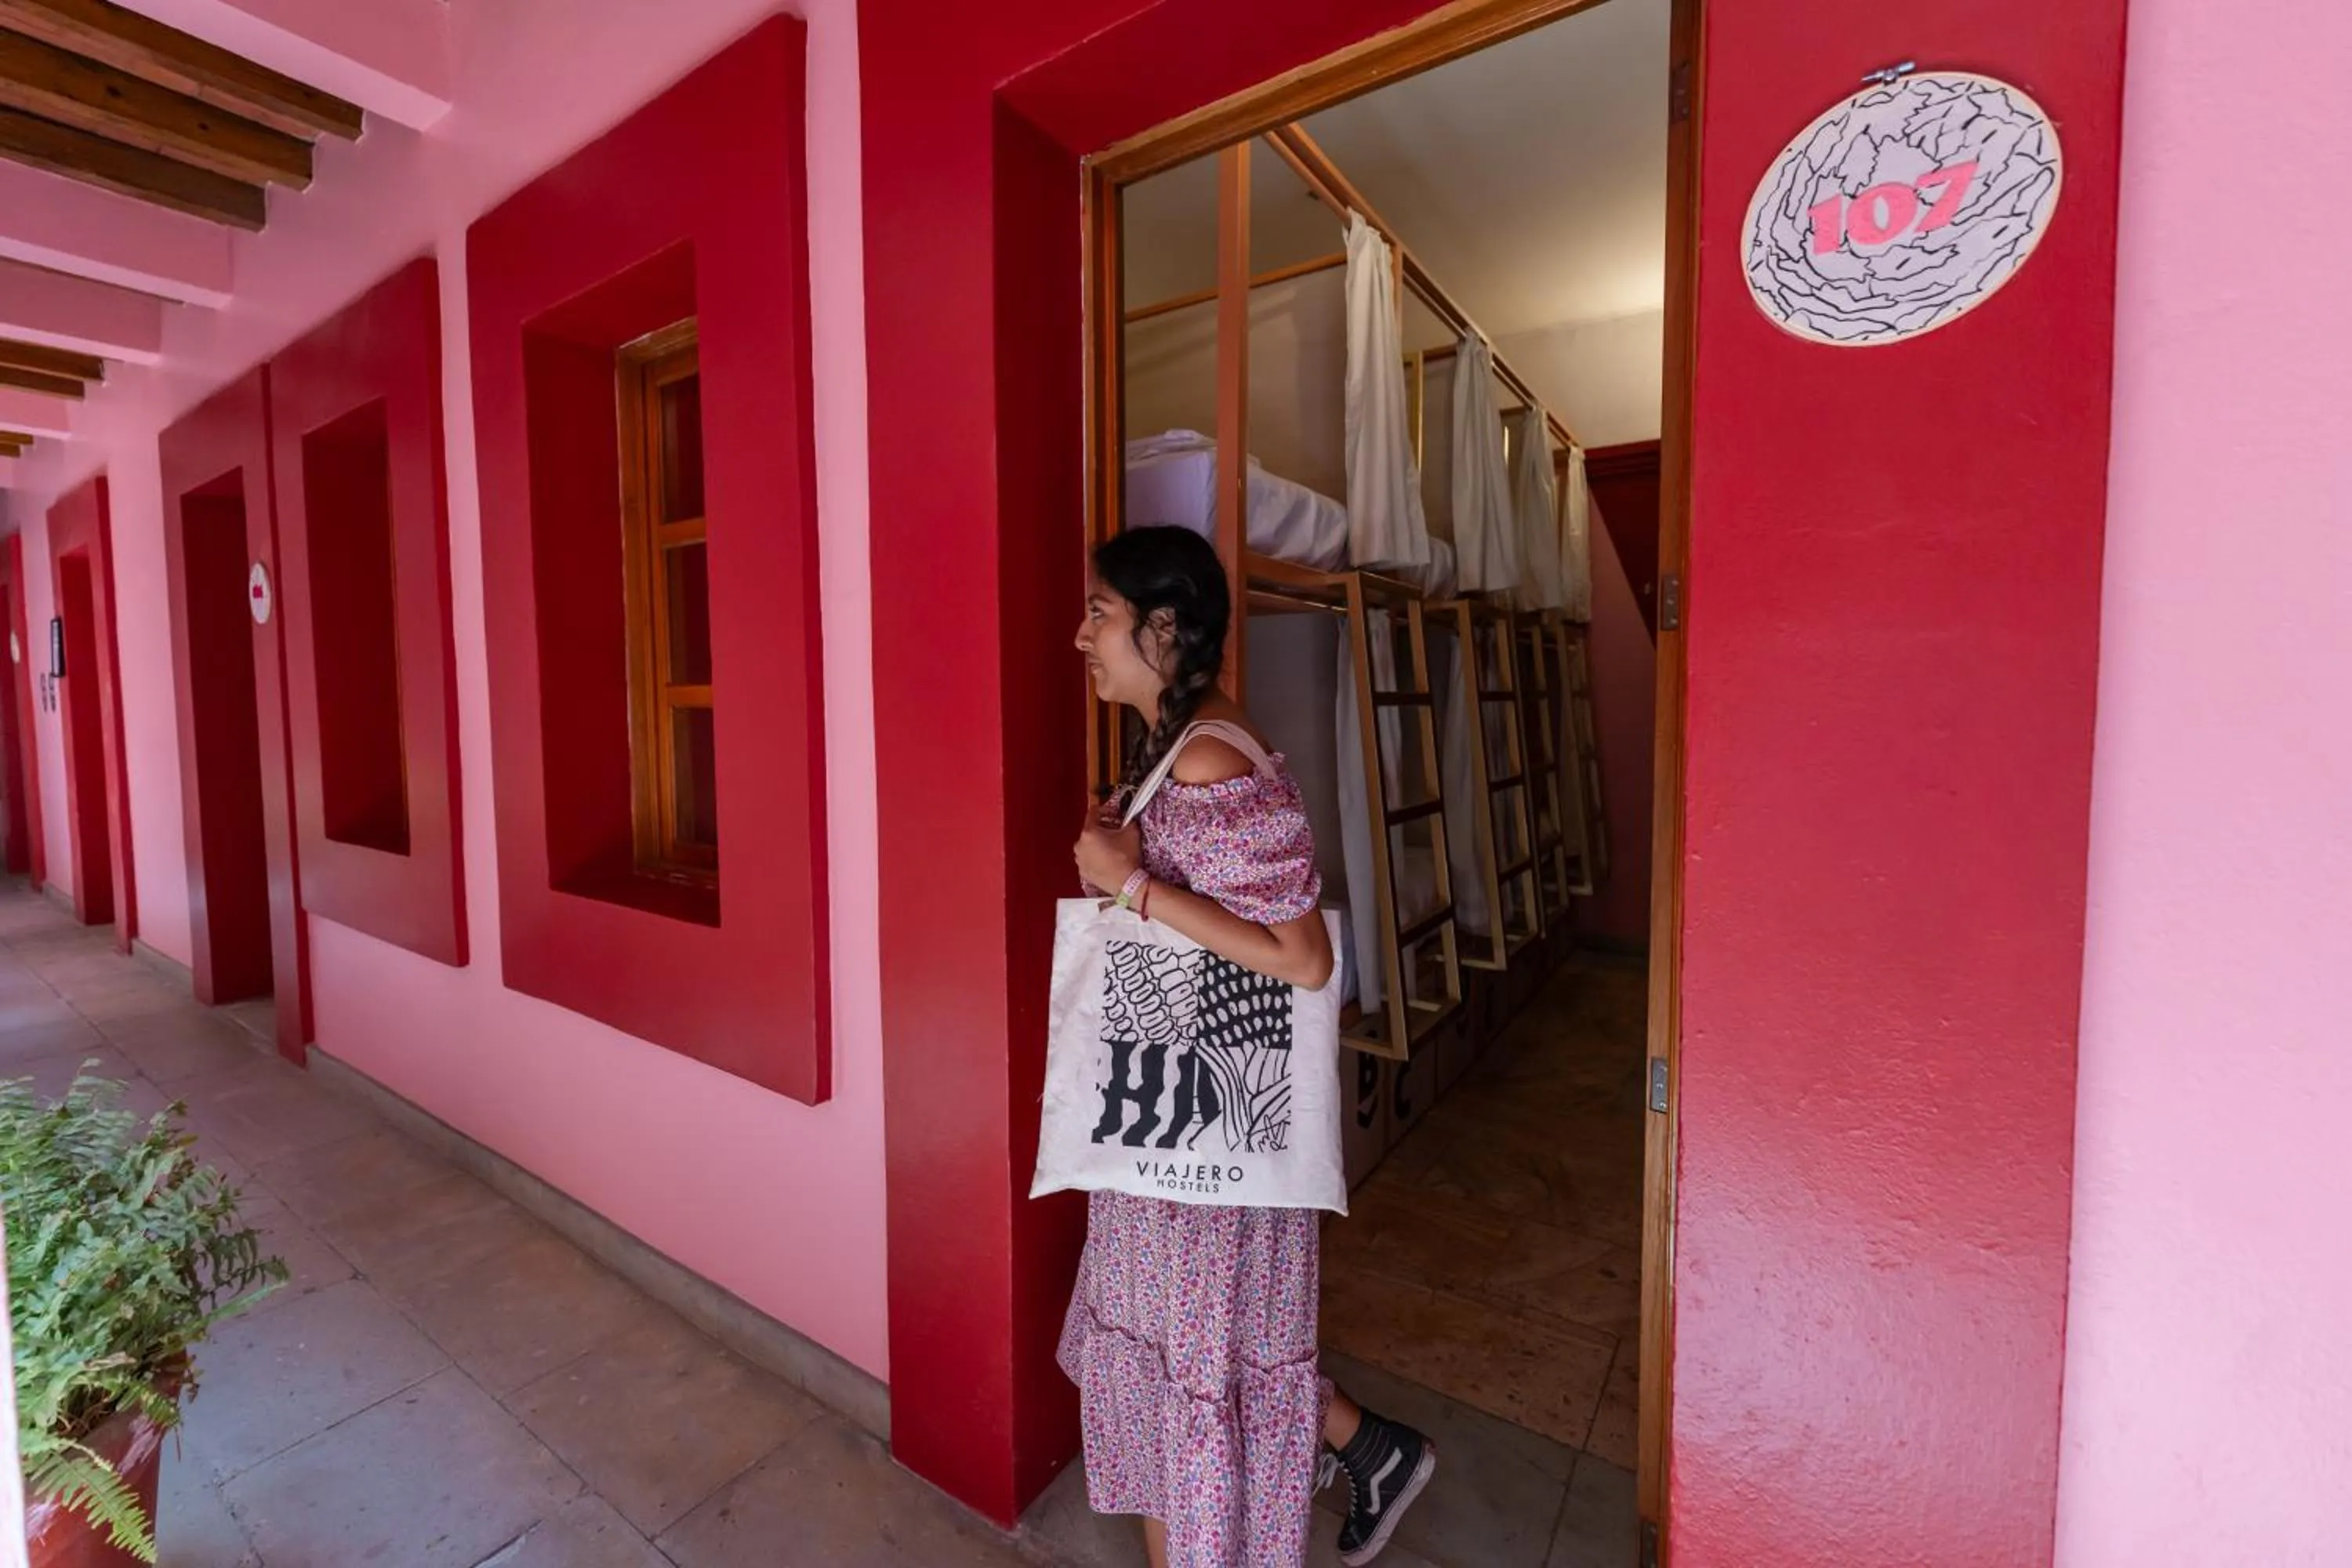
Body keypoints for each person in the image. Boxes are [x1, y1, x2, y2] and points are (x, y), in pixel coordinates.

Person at [1063, 524, 1438, 1567]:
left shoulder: (1211, 756)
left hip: (1203, 1149)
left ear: (1164, 627)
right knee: (1201, 1367)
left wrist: (1131, 885)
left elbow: (1303, 955)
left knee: (1195, 1379)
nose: (1082, 635)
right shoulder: (1181, 748)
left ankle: (1347, 1465)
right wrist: (1134, 859)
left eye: (1099, 612)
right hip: (1182, 1131)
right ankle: (1368, 1452)